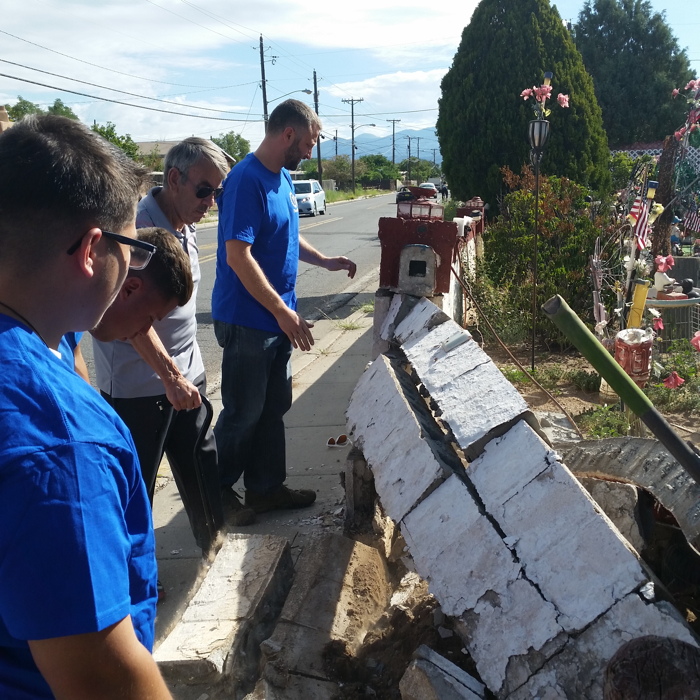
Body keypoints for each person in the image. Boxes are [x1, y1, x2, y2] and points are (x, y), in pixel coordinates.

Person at [0, 114, 171, 698]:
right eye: (132, 249)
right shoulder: (61, 443)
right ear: (93, 249)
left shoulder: (36, 334)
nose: (133, 269)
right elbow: (104, 680)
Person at [92, 138, 253, 551]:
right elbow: (133, 317)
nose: (210, 201)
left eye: (217, 192)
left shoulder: (187, 223)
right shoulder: (138, 231)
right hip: (140, 385)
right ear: (175, 178)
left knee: (201, 463)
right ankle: (138, 574)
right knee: (137, 482)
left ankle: (215, 549)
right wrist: (170, 376)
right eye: (204, 190)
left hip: (186, 372)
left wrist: (185, 375)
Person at [212, 99, 357, 514]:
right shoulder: (245, 181)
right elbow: (239, 255)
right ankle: (218, 493)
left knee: (274, 407)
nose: (311, 151)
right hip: (248, 319)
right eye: (310, 141)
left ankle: (265, 488)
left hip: (277, 317)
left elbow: (287, 239)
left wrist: (325, 260)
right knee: (243, 411)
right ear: (289, 134)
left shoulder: (284, 180)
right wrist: (280, 310)